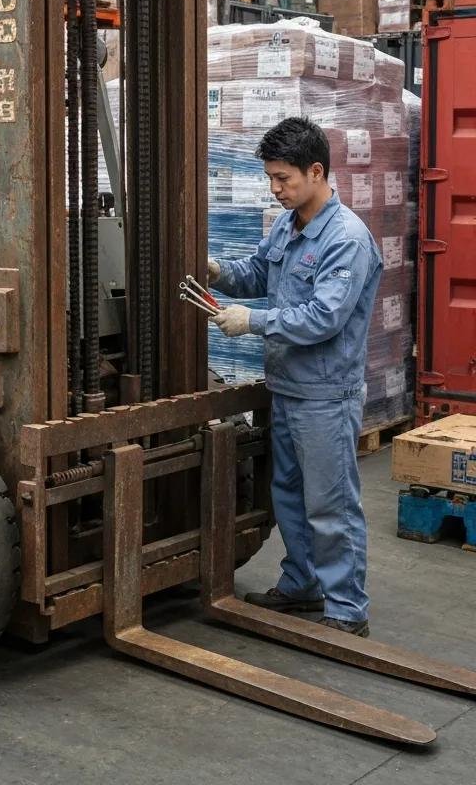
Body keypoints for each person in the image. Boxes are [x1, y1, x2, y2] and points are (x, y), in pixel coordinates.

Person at [208, 116, 382, 637]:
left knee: (330, 505)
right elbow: (262, 272)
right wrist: (219, 270)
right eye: (269, 178)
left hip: (326, 395)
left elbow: (324, 318)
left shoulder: (346, 238)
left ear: (315, 171)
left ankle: (347, 608)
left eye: (283, 179)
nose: (275, 189)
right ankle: (302, 584)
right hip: (286, 388)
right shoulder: (288, 224)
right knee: (287, 495)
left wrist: (253, 321)